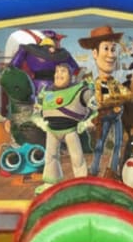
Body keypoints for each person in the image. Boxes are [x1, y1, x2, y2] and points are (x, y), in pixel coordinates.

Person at [33, 62, 97, 193]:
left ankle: (81, 183)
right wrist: (39, 121)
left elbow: (95, 107)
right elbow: (37, 109)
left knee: (77, 157)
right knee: (50, 157)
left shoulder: (81, 90)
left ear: (71, 76)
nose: (58, 74)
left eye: (63, 71)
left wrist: (87, 122)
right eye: (57, 71)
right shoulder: (46, 92)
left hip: (70, 130)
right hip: (51, 130)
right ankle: (51, 183)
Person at [78, 26, 133, 179]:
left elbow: (128, 95)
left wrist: (119, 97)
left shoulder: (115, 82)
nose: (111, 55)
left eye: (113, 49)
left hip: (117, 116)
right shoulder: (94, 82)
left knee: (118, 143)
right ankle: (94, 169)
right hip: (104, 117)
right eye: (106, 49)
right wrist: (115, 100)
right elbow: (99, 101)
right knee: (100, 144)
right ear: (95, 53)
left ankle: (112, 170)